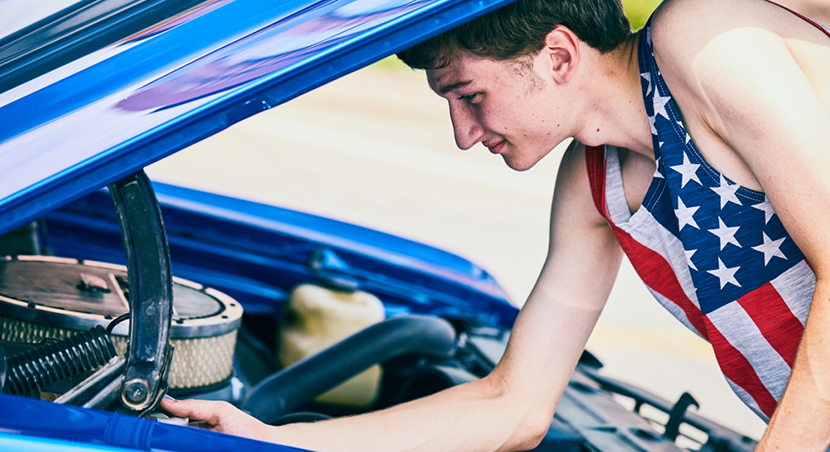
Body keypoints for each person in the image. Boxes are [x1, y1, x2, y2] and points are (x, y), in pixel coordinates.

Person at [162, 0, 830, 449]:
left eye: (471, 96)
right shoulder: (592, 184)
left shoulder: (706, 38)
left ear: (559, 57)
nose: (462, 134)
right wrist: (274, 437)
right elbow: (513, 405)